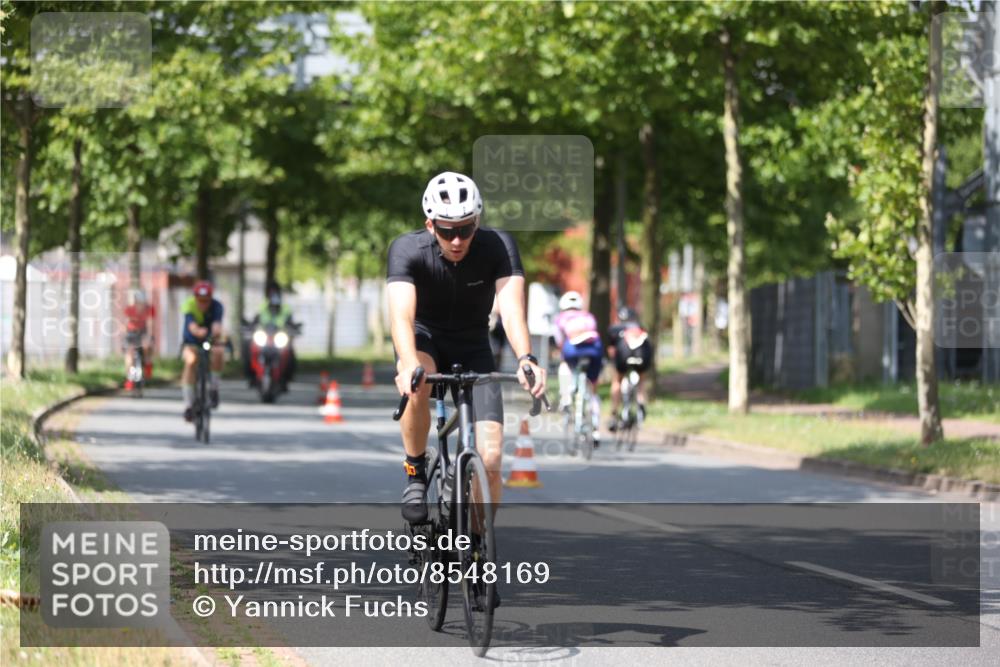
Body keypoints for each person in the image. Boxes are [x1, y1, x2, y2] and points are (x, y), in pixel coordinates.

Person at [387, 170, 547, 552]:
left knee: (490, 457)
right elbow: (401, 317)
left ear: (478, 220)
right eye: (446, 230)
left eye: (466, 228)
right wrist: (408, 362)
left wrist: (526, 358)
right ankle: (415, 470)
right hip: (424, 337)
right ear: (430, 225)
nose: (457, 239)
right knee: (419, 383)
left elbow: (511, 312)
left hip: (473, 343)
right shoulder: (407, 250)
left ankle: (476, 544)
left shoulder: (498, 246)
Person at [553, 290, 604, 446]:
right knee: (593, 388)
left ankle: (566, 397)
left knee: (564, 365)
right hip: (594, 350)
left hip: (573, 350)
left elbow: (559, 341)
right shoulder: (588, 316)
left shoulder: (560, 318)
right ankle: (595, 427)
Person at [180, 280, 225, 421]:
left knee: (218, 353)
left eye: (206, 301)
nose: (203, 304)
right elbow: (192, 327)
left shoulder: (217, 306)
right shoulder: (189, 305)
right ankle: (188, 405)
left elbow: (217, 324)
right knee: (191, 361)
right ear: (195, 298)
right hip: (191, 341)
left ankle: (214, 389)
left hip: (210, 340)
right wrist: (200, 331)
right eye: (200, 300)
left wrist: (216, 332)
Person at [244, 282, 299, 387]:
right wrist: (249, 326)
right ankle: (250, 376)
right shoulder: (263, 307)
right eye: (271, 292)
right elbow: (256, 320)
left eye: (275, 292)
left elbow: (290, 322)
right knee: (248, 346)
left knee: (290, 351)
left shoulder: (285, 308)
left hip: (279, 338)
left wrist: (294, 328)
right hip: (265, 338)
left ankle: (287, 377)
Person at [607, 306, 652, 430]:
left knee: (617, 381)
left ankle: (614, 414)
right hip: (642, 356)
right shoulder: (641, 327)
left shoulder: (615, 329)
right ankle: (641, 403)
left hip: (623, 355)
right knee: (642, 380)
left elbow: (612, 350)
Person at [122, 289, 154, 385]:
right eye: (138, 303)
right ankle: (129, 378)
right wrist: (125, 334)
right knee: (129, 354)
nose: (140, 305)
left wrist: (148, 336)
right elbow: (125, 323)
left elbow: (150, 323)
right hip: (131, 333)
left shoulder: (149, 309)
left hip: (144, 332)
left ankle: (147, 365)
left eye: (142, 303)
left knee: (147, 347)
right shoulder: (129, 310)